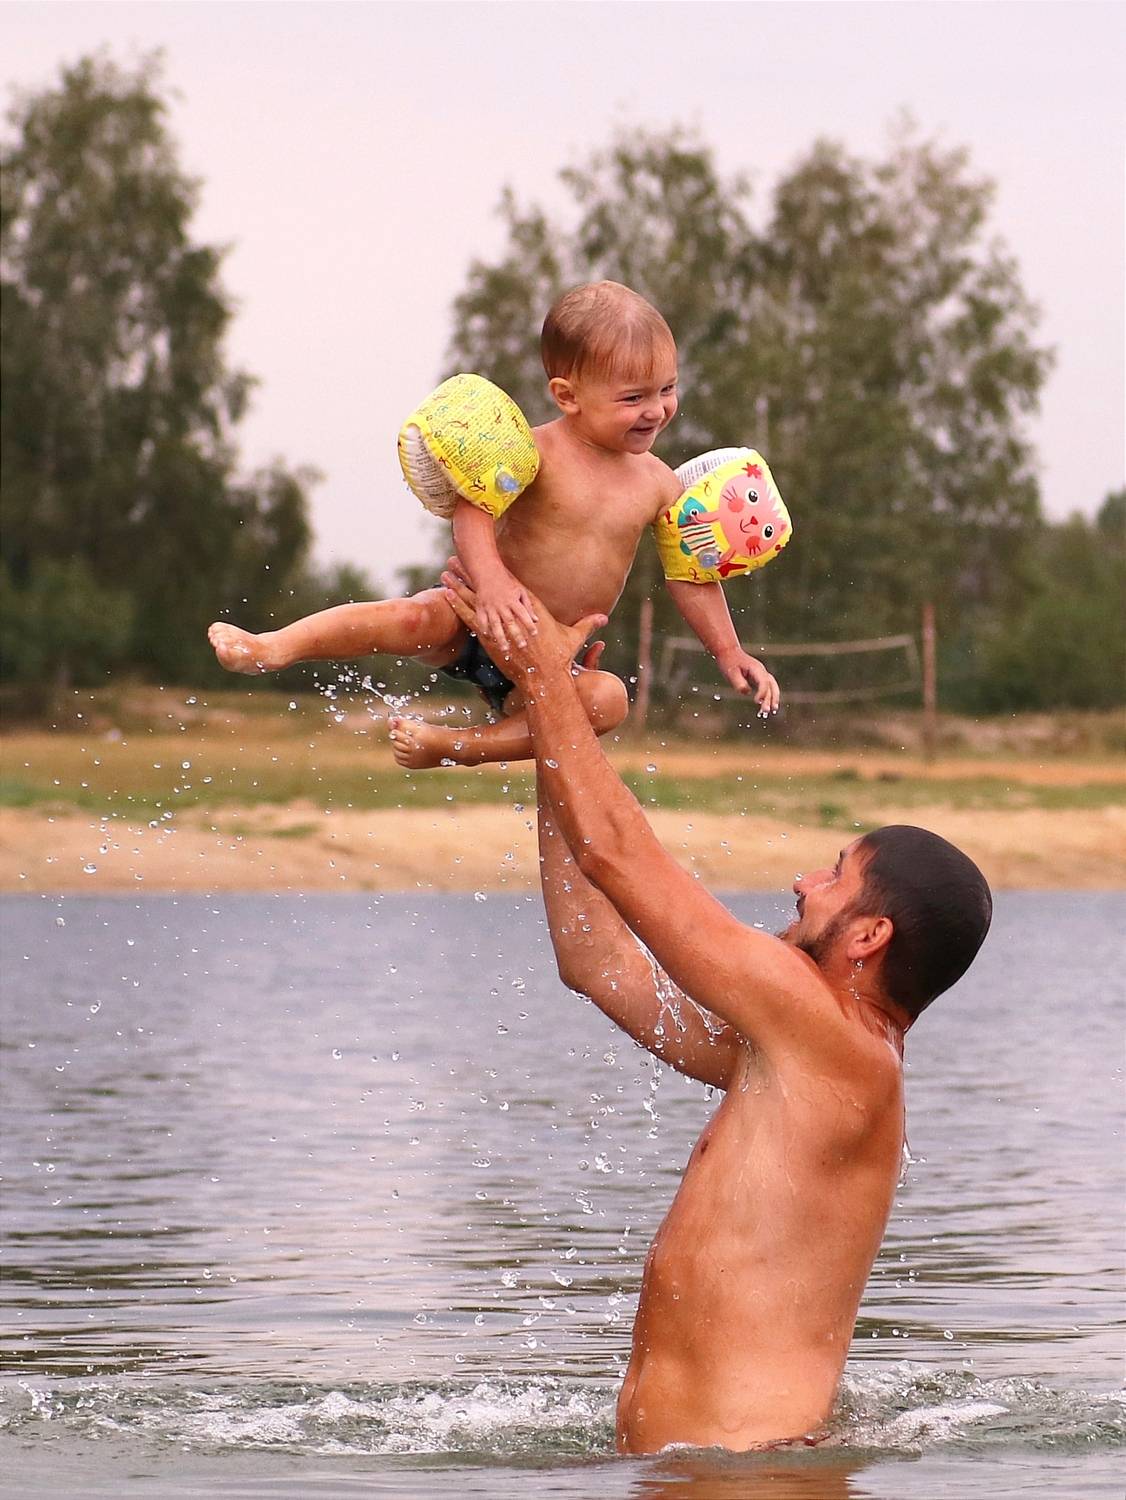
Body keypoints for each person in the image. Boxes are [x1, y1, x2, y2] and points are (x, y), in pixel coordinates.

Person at [440, 567, 993, 1455]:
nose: (803, 883)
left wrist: (542, 672)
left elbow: (619, 855)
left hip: (746, 1477)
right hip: (710, 1470)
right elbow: (596, 960)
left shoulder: (832, 1041)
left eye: (835, 876)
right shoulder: (795, 1052)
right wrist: (555, 723)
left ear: (869, 935)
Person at [207, 282, 780, 769]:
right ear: (568, 395)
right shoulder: (534, 453)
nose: (655, 410)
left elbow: (691, 577)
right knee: (409, 617)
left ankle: (456, 747)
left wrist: (730, 652)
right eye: (633, 397)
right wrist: (495, 584)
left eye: (667, 390)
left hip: (552, 654)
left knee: (608, 700)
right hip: (475, 617)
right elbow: (473, 513)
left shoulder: (660, 484)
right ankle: (275, 646)